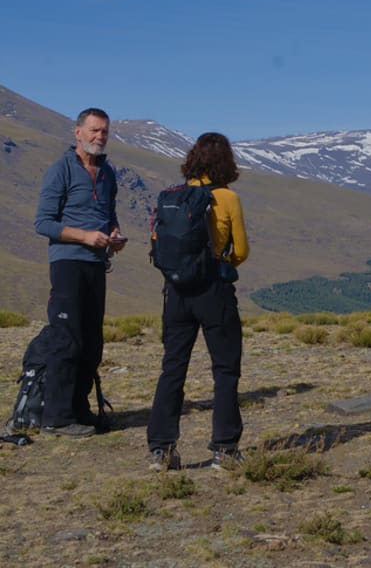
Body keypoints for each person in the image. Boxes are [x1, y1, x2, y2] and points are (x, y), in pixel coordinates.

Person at [147, 133, 250, 470]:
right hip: (213, 292)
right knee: (225, 369)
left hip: (175, 294)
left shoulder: (172, 197)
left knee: (173, 368)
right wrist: (220, 263)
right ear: (226, 162)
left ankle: (160, 450)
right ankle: (225, 449)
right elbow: (242, 251)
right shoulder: (227, 198)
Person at [33, 107, 126, 437]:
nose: (99, 136)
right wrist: (85, 236)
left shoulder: (108, 173)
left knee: (91, 340)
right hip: (68, 263)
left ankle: (79, 411)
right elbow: (43, 222)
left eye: (104, 132)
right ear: (78, 132)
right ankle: (55, 417)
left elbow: (108, 213)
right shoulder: (60, 170)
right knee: (66, 338)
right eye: (94, 130)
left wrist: (113, 235)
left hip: (96, 264)